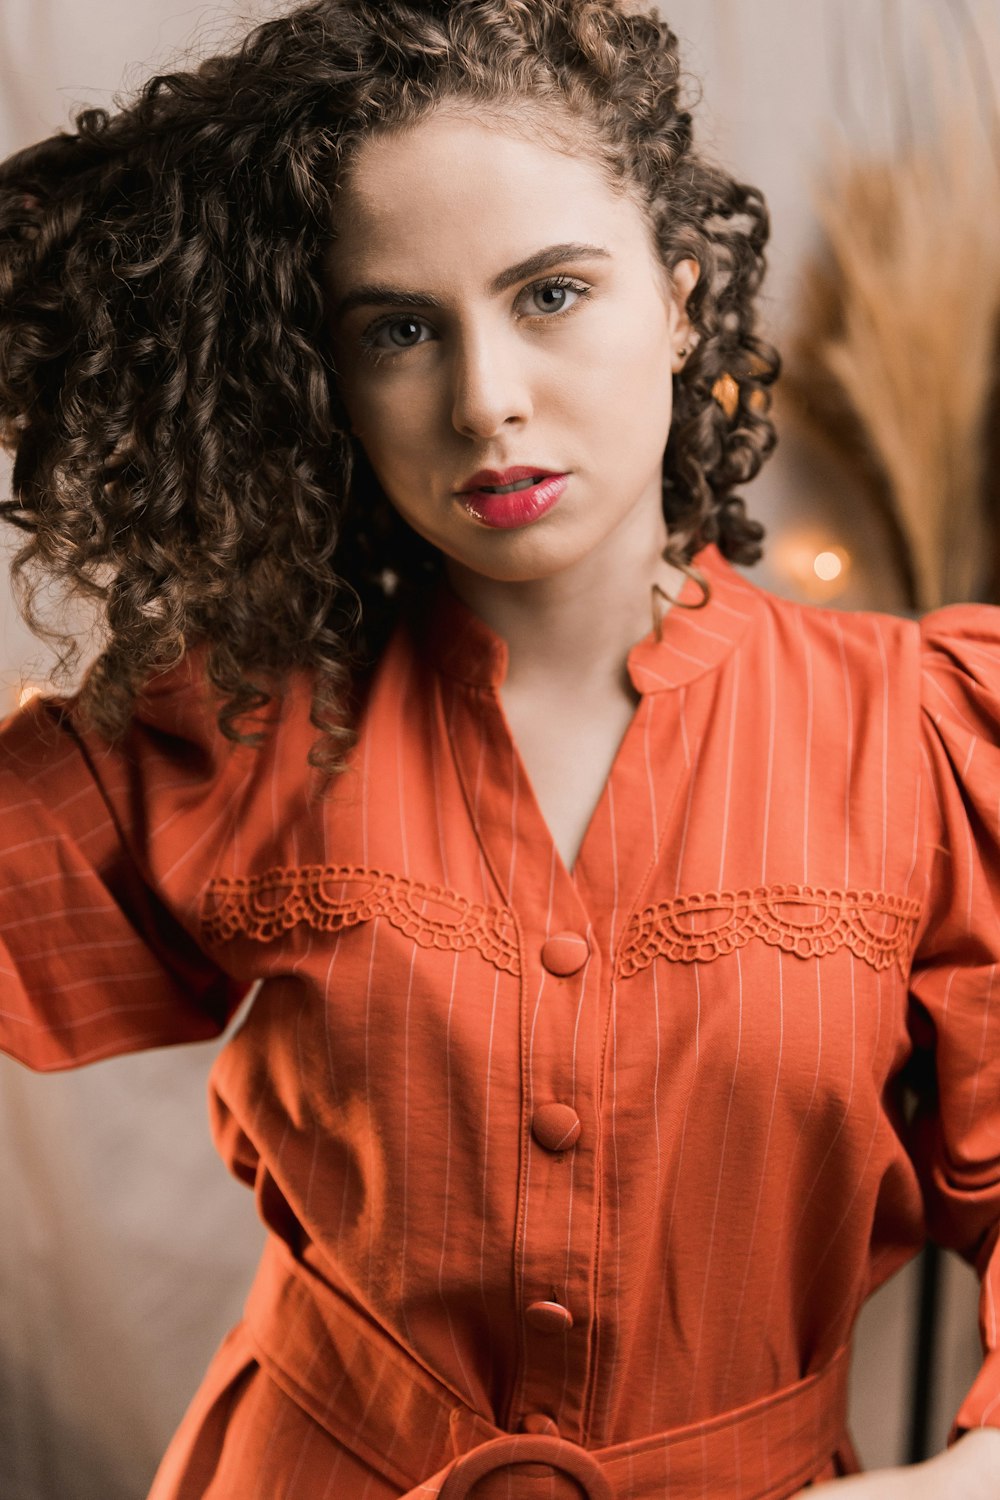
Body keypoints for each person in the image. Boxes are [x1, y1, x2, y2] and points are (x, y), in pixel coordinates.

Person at [1, 1, 999, 1495]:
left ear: (675, 297)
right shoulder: (237, 722)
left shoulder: (928, 737)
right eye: (400, 329)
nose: (485, 403)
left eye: (550, 294)